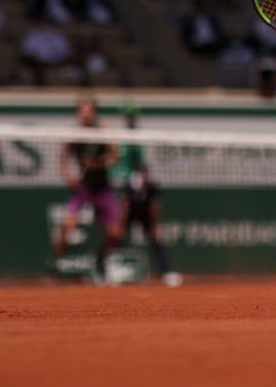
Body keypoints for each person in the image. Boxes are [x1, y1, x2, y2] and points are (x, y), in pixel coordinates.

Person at [52, 97, 121, 282]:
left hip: (103, 187)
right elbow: (63, 157)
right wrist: (68, 176)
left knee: (115, 232)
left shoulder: (103, 129)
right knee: (67, 225)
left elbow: (115, 156)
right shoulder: (74, 134)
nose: (85, 115)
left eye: (89, 111)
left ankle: (101, 257)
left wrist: (98, 163)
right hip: (84, 187)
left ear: (94, 113)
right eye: (82, 111)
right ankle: (56, 264)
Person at [116, 106, 182, 287]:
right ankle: (106, 270)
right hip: (129, 215)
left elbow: (155, 209)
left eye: (145, 175)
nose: (143, 178)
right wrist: (121, 226)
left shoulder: (153, 189)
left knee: (156, 240)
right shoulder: (128, 190)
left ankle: (167, 273)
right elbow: (124, 207)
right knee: (116, 236)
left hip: (145, 216)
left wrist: (154, 227)